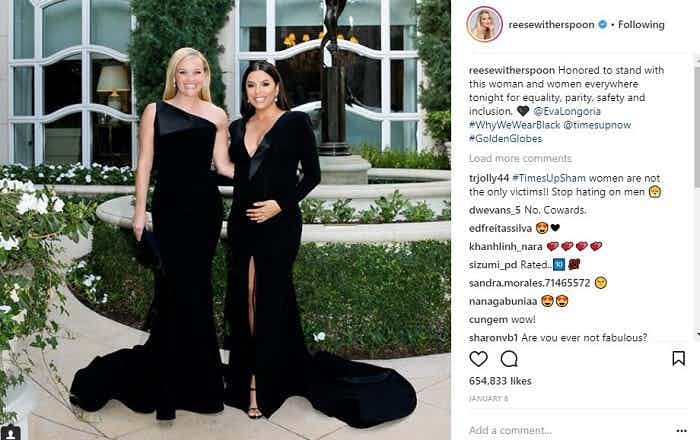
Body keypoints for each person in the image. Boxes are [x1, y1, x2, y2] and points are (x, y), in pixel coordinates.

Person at [223, 60, 416, 427]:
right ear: (245, 91)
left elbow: (311, 175)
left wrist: (279, 205)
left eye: (265, 84)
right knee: (244, 300)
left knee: (267, 299)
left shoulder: (295, 122)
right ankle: (251, 373)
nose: (258, 91)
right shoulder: (237, 126)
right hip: (242, 223)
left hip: (279, 224)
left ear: (277, 88)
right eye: (251, 85)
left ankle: (261, 384)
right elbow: (237, 173)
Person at [70, 47, 233, 421]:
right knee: (172, 290)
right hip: (170, 209)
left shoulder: (217, 115)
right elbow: (144, 162)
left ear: (206, 76)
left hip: (205, 211)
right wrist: (140, 210)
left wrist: (266, 171)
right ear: (174, 75)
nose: (190, 79)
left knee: (197, 290)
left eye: (197, 72)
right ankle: (167, 379)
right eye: (183, 72)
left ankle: (201, 381)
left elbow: (224, 166)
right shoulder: (155, 111)